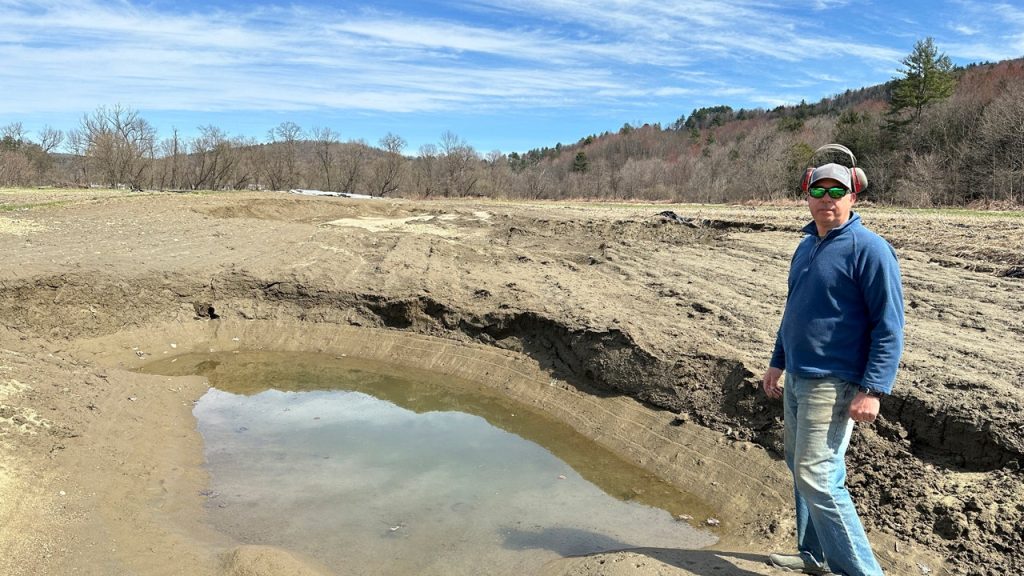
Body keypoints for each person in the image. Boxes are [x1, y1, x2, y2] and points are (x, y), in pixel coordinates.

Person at [762, 161, 904, 575]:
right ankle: (816, 555)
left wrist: (873, 389)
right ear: (807, 197)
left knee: (818, 476)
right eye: (819, 192)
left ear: (853, 197)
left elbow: (889, 325)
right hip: (798, 376)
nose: (827, 200)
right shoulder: (807, 245)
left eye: (836, 192)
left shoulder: (869, 248)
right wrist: (777, 361)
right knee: (800, 467)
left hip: (835, 382)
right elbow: (796, 311)